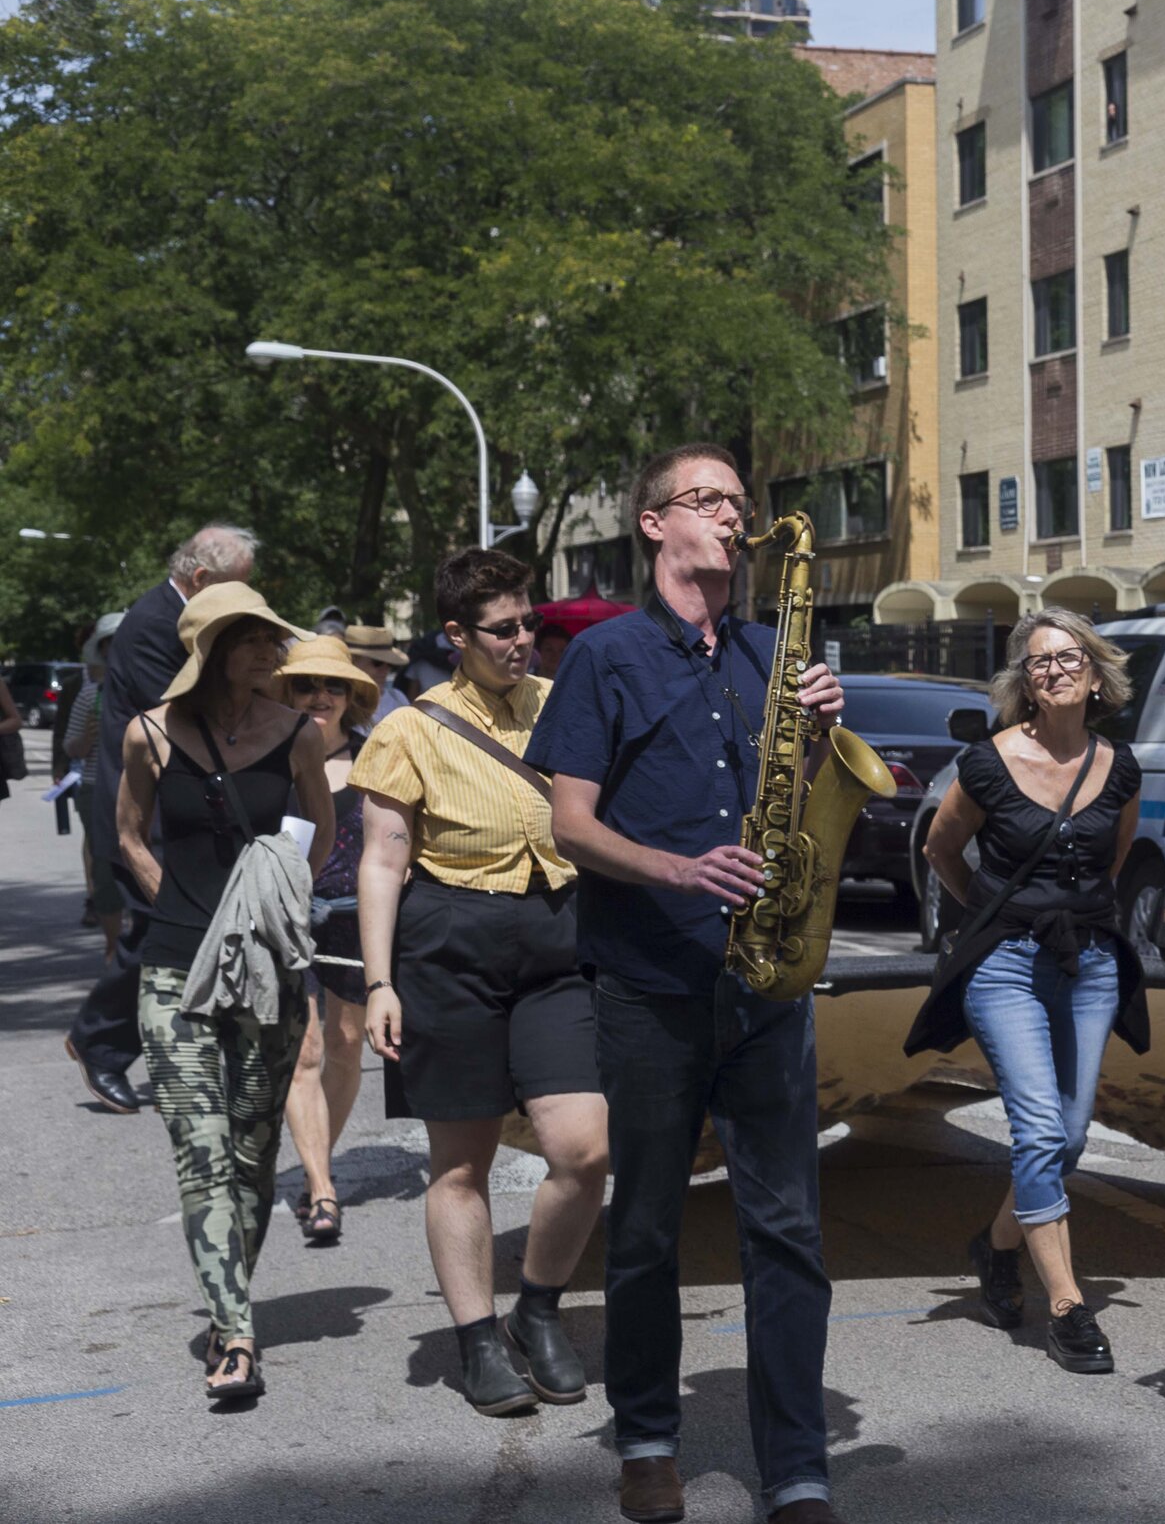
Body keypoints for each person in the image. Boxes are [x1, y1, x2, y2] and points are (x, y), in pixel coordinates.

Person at [527, 443, 846, 1524]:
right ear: (655, 523)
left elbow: (793, 803)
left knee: (789, 1231)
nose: (732, 517)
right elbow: (569, 822)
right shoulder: (606, 656)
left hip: (765, 982)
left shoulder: (770, 649)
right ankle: (650, 1436)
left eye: (738, 503)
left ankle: (796, 1461)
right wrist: (679, 868)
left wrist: (817, 738)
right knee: (651, 1223)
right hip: (649, 978)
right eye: (708, 500)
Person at [348, 549, 607, 1418]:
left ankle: (537, 1308)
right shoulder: (408, 728)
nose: (523, 641)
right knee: (461, 1162)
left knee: (585, 1148)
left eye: (528, 624)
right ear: (456, 634)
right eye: (503, 629)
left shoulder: (565, 702)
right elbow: (382, 861)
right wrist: (380, 981)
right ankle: (475, 1338)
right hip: (448, 941)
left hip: (556, 938)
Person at [912, 608, 1145, 1372]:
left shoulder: (1122, 764)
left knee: (1069, 1137)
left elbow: (1111, 862)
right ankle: (1069, 1306)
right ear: (1025, 682)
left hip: (1089, 965)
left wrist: (1072, 914)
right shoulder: (986, 763)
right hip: (1005, 962)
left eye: (1067, 655)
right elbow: (941, 847)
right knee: (1041, 1133)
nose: (1054, 668)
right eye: (1039, 661)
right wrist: (988, 912)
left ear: (1095, 669)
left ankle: (996, 1243)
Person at [115, 582, 329, 1401]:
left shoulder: (299, 737)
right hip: (175, 968)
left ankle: (223, 1297)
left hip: (270, 973)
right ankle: (236, 1334)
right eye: (256, 639)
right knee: (201, 1155)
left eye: (275, 637)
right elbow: (130, 834)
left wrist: (262, 913)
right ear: (213, 649)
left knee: (251, 1152)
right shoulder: (149, 735)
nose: (274, 652)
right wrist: (190, 908)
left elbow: (319, 838)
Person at [67, 524, 258, 1114]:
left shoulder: (170, 616)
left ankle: (133, 1043)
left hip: (171, 810)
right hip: (144, 815)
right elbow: (184, 708)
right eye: (234, 591)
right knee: (158, 931)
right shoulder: (155, 625)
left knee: (171, 931)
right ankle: (98, 1042)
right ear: (201, 580)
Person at [271, 635, 379, 1248]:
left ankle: (320, 1157)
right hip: (288, 919)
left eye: (333, 686)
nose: (320, 696)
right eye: (307, 684)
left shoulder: (375, 757)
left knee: (344, 1044)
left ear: (350, 697)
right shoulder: (270, 754)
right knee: (306, 1050)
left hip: (355, 918)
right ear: (286, 691)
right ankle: (321, 1189)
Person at [63, 613, 126, 937]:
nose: (117, 651)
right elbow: (70, 746)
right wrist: (86, 739)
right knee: (104, 871)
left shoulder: (153, 693)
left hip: (141, 791)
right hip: (96, 789)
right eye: (110, 645)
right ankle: (113, 949)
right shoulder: (91, 695)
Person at [344, 624, 414, 722]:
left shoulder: (397, 698)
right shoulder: (339, 702)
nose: (385, 670)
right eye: (377, 663)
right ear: (352, 661)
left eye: (389, 664)